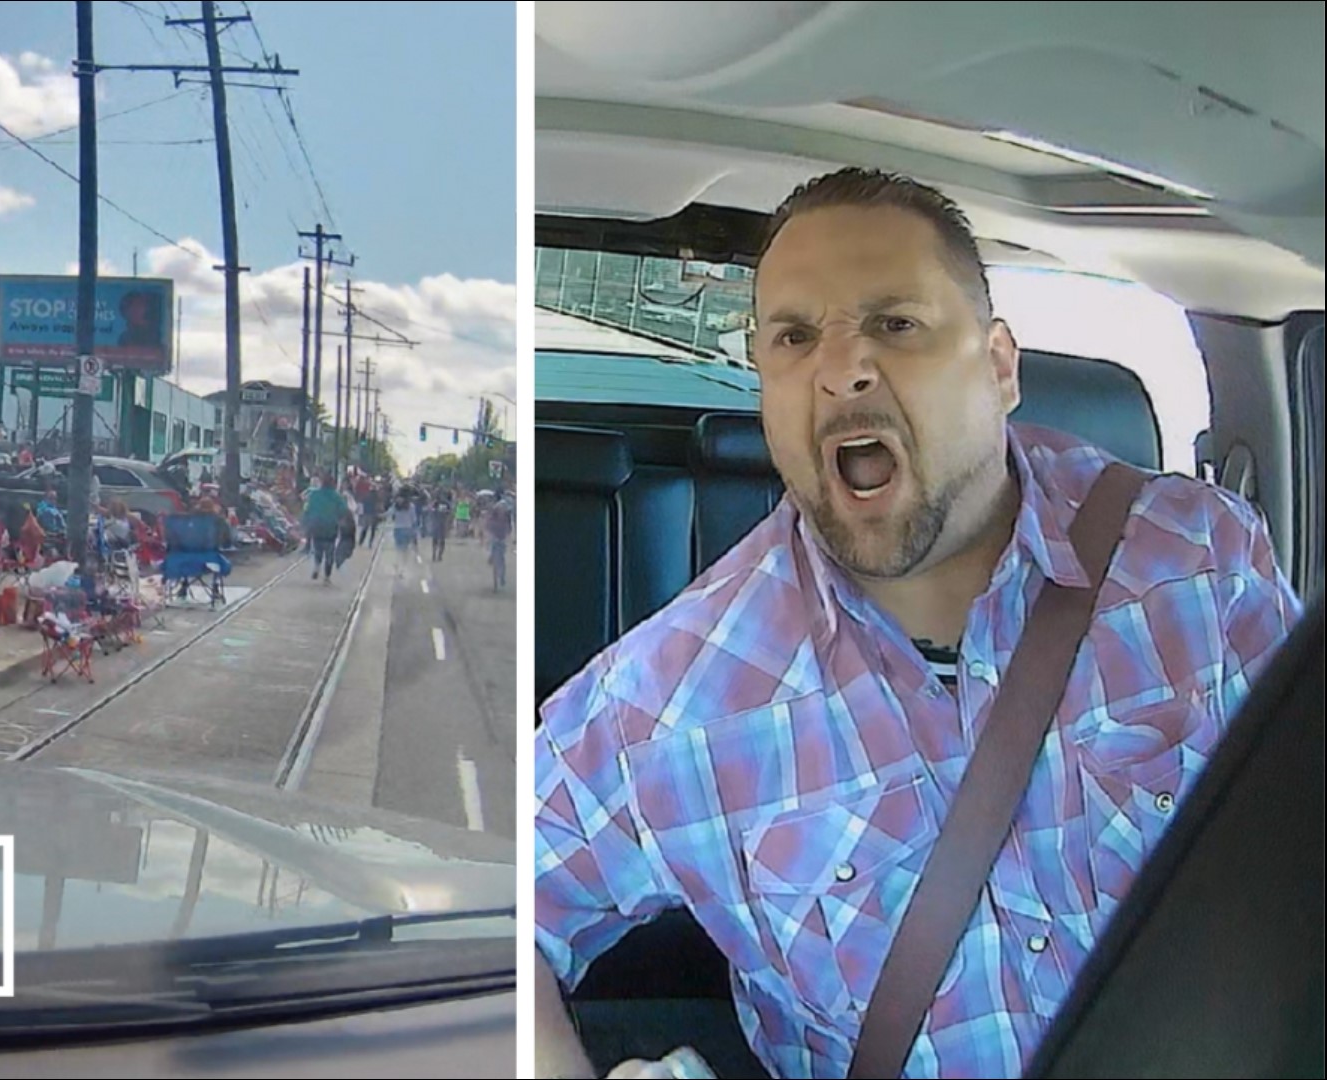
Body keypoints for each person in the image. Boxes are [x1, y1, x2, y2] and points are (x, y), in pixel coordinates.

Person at [533, 168, 1302, 1079]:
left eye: (895, 324)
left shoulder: (1197, 564)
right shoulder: (670, 699)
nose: (843, 367)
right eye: (793, 336)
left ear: (1001, 366)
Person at [301, 472, 346, 583]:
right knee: (330, 551)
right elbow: (343, 510)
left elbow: (307, 509)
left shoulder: (314, 494)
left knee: (318, 548)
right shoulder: (337, 497)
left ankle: (317, 565)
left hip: (316, 525)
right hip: (331, 527)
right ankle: (327, 576)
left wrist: (306, 522)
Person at [483, 491, 513, 587]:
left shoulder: (494, 507)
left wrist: (486, 528)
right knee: (502, 557)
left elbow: (488, 520)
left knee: (492, 546)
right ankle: (502, 576)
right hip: (502, 533)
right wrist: (509, 531)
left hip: (495, 532)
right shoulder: (506, 507)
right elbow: (509, 522)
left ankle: (491, 557)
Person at [429, 493, 453, 562]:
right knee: (435, 539)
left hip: (443, 523)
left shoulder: (447, 504)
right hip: (437, 523)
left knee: (442, 540)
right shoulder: (436, 503)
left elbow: (450, 512)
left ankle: (439, 555)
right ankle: (434, 554)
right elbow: (431, 510)